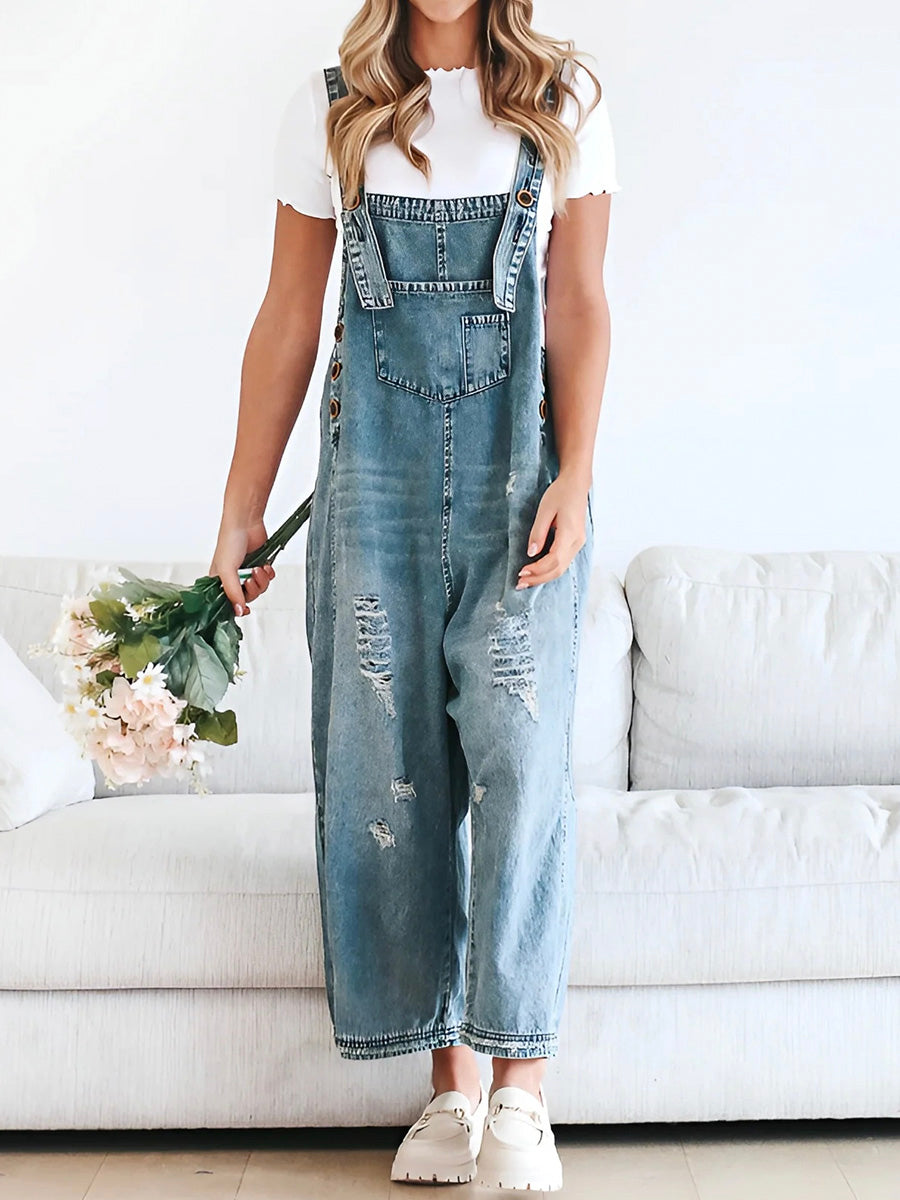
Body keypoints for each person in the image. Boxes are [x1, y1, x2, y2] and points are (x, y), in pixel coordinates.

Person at [210, 0, 619, 1190]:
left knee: (523, 761)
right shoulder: (331, 108)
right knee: (393, 767)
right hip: (370, 494)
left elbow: (581, 302)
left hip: (522, 489)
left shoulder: (567, 101)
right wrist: (242, 503)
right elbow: (291, 316)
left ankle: (522, 1092)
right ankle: (448, 1091)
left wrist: (579, 477)